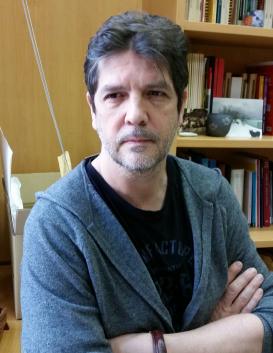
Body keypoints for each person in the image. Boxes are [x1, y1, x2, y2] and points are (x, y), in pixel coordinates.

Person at [21, 11, 273, 353]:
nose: (135, 114)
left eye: (155, 93)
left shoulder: (212, 193)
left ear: (182, 107)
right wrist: (219, 333)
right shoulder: (57, 225)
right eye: (114, 95)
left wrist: (151, 347)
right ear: (92, 109)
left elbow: (270, 313)